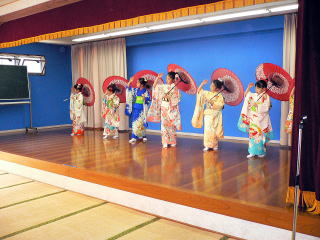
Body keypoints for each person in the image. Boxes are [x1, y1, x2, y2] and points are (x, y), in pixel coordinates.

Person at [238, 80, 273, 158]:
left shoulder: (266, 96)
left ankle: (261, 152)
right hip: (253, 118)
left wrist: (257, 105)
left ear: (263, 89)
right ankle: (252, 151)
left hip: (261, 119)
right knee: (252, 135)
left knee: (260, 135)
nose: (256, 89)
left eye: (258, 88)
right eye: (256, 88)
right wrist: (248, 88)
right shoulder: (254, 95)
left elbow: (266, 108)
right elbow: (246, 95)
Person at [148, 72, 181, 148]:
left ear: (173, 79)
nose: (167, 80)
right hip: (164, 107)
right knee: (164, 125)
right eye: (166, 78)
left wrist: (170, 98)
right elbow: (155, 87)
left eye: (168, 78)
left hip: (171, 108)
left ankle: (172, 141)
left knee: (171, 125)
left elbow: (177, 99)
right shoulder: (164, 86)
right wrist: (157, 78)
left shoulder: (175, 88)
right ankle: (165, 141)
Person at [192, 79, 224, 151]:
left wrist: (212, 102)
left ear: (217, 88)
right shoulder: (207, 93)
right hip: (208, 114)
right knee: (207, 130)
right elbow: (199, 92)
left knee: (214, 130)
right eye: (211, 85)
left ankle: (214, 145)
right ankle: (207, 145)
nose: (211, 86)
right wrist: (202, 84)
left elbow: (221, 105)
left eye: (213, 86)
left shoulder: (219, 96)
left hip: (215, 115)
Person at [125, 76, 151, 144]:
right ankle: (134, 137)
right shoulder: (136, 90)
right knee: (135, 122)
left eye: (137, 82)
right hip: (136, 108)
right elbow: (129, 89)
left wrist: (144, 98)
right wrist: (130, 82)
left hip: (143, 109)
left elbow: (149, 99)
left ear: (142, 84)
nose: (136, 83)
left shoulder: (146, 91)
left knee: (142, 123)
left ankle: (143, 135)